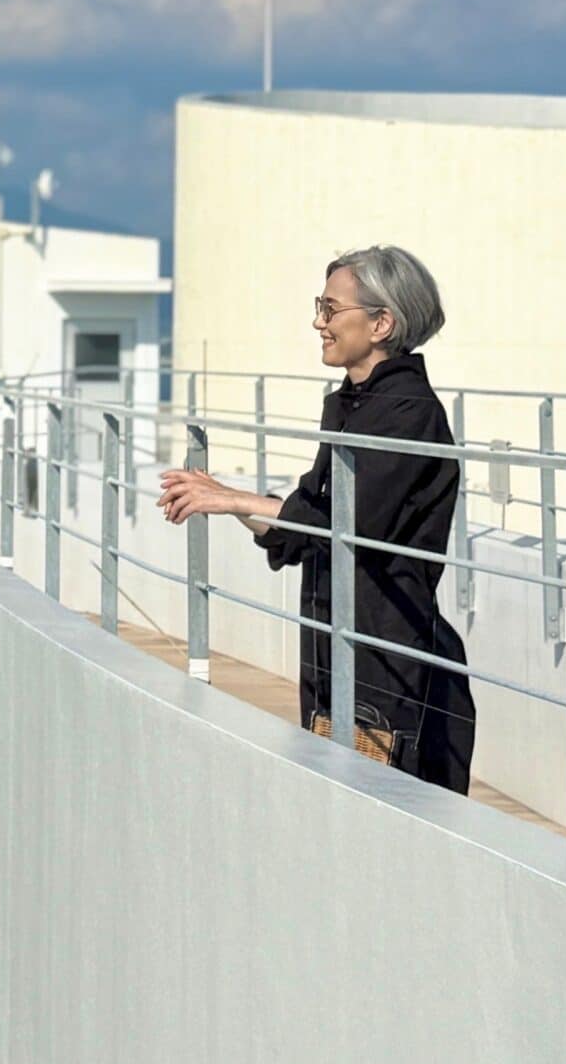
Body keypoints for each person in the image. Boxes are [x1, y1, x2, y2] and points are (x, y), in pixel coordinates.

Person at [158, 245, 476, 793]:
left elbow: (345, 523)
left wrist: (235, 499)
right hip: (337, 650)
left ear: (381, 322)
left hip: (389, 665)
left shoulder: (408, 413)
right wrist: (224, 499)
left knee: (381, 818)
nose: (318, 323)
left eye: (330, 309)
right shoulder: (352, 403)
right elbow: (303, 529)